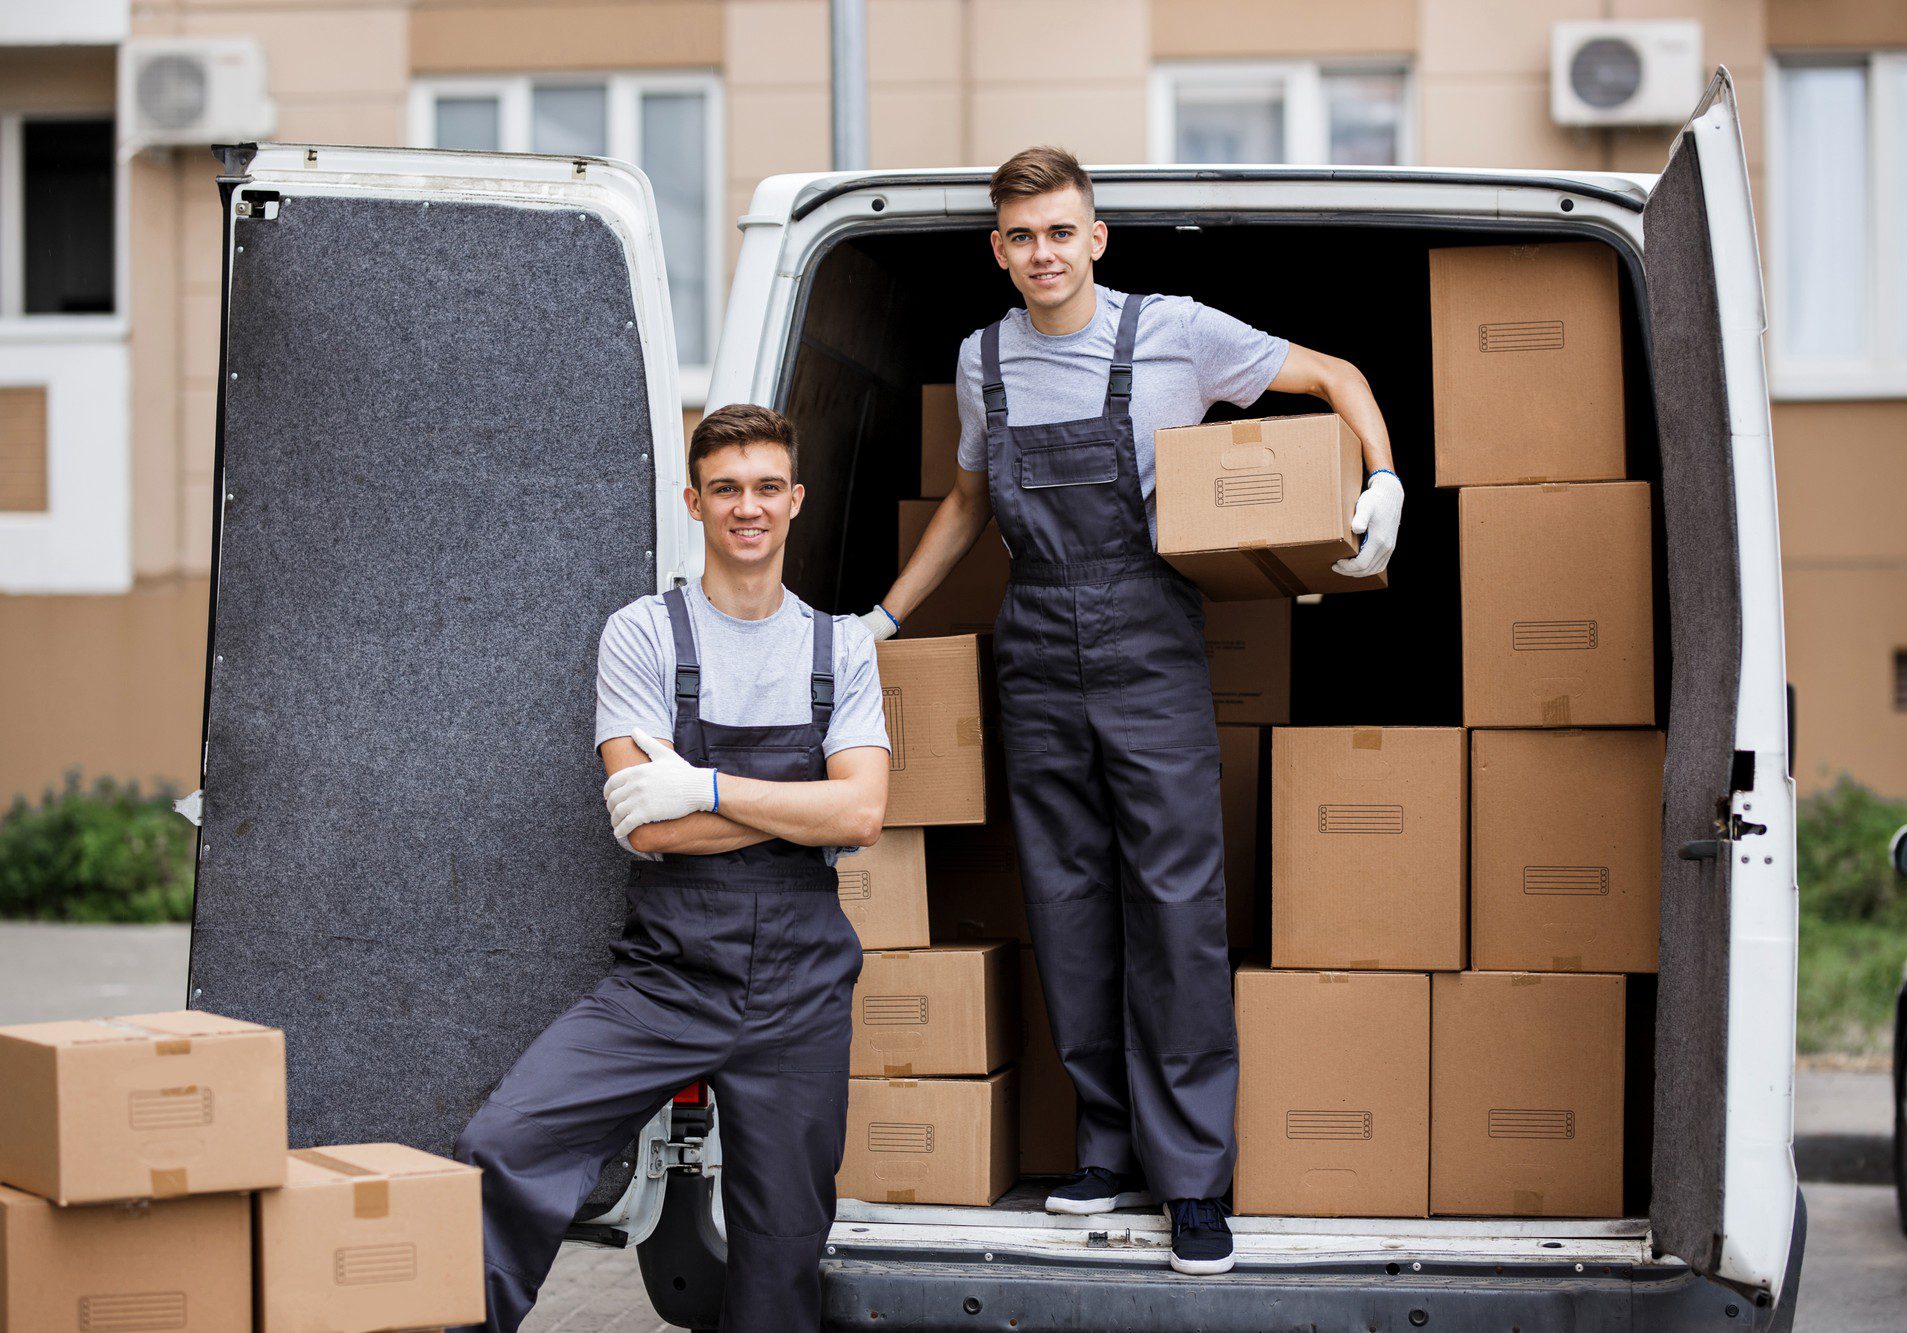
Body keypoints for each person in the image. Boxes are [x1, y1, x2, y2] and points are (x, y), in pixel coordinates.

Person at [858, 147, 1401, 1276]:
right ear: (996, 249)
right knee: (1064, 899)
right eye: (1019, 236)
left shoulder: (1176, 330)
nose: (1041, 253)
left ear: (1094, 236)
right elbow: (966, 502)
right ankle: (1104, 1145)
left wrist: (1380, 481)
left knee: (1173, 903)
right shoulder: (981, 358)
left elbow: (1335, 375)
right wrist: (881, 620)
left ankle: (1194, 1180)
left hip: (1148, 642)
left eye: (1059, 230)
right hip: (1035, 647)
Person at [455, 404, 891, 1332]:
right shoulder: (643, 634)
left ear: (796, 500)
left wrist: (699, 786)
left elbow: (863, 810)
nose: (748, 507)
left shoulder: (839, 645)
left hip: (801, 989)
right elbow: (646, 828)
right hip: (667, 980)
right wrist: (796, 810)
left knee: (783, 1246)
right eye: (727, 488)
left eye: (767, 487)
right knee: (505, 1143)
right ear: (694, 501)